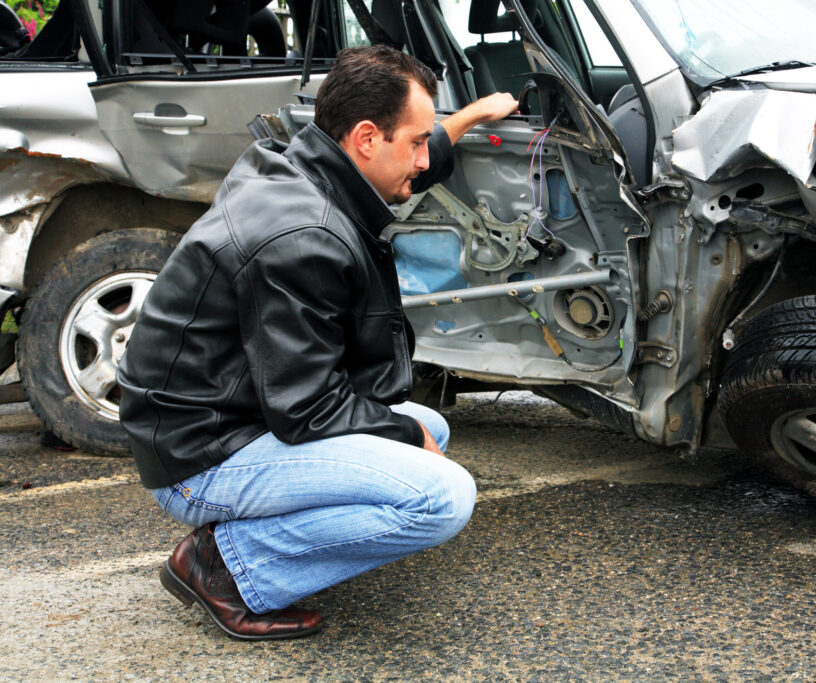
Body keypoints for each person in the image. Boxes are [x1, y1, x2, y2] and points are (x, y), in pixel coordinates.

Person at [116, 45, 519, 641]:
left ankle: (252, 544)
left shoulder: (301, 166)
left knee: (431, 428)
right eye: (415, 142)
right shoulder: (300, 235)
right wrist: (408, 436)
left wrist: (466, 119)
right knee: (441, 494)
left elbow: (408, 157)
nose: (421, 157)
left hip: (229, 413)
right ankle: (229, 566)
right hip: (200, 457)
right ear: (364, 138)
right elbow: (306, 407)